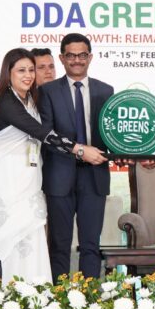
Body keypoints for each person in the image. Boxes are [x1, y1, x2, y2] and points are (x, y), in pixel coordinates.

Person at [0, 48, 84, 284]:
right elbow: (40, 131)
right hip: (5, 178)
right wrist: (79, 149)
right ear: (8, 73)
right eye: (21, 71)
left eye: (30, 70)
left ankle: (34, 289)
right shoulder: (5, 102)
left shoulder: (30, 99)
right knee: (5, 234)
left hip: (29, 177)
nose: (28, 75)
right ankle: (0, 293)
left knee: (31, 231)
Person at [38, 34, 110, 281]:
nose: (77, 60)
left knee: (91, 245)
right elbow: (46, 135)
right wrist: (78, 150)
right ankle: (58, 298)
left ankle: (89, 298)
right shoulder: (47, 91)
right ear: (62, 58)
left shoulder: (106, 90)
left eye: (82, 55)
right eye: (71, 55)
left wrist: (124, 152)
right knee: (59, 244)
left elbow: (111, 134)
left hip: (95, 176)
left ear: (90, 57)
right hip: (59, 175)